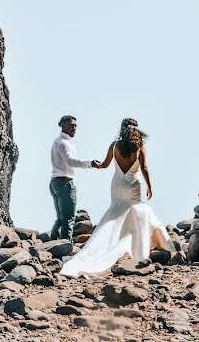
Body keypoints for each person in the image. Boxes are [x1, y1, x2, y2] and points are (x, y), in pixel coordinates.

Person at [60, 118, 173, 277]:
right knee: (136, 212)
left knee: (115, 214)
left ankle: (105, 245)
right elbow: (144, 167)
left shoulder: (115, 146)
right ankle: (136, 245)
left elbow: (105, 164)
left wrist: (95, 164)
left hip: (117, 185)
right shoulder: (139, 146)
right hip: (133, 183)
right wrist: (149, 186)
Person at [50, 115, 99, 240]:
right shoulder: (64, 143)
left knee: (61, 218)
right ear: (63, 125)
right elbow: (70, 161)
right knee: (68, 219)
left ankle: (52, 245)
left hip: (55, 182)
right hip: (65, 183)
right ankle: (66, 249)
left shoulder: (58, 141)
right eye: (72, 125)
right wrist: (90, 163)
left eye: (76, 126)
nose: (75, 128)